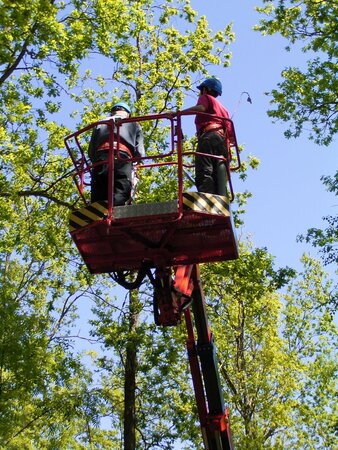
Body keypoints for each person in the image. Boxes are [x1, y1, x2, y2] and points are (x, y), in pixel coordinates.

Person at [179, 78, 235, 195]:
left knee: (204, 169)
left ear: (206, 89)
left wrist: (180, 113)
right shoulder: (224, 110)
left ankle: (207, 198)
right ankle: (220, 198)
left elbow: (201, 108)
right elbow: (231, 138)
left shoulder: (206, 97)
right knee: (218, 173)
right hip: (222, 142)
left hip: (209, 137)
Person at [88, 102, 145, 206]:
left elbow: (91, 150)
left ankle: (97, 210)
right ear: (127, 114)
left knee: (99, 188)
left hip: (101, 158)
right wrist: (137, 162)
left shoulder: (100, 123)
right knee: (122, 187)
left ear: (112, 112)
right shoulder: (134, 124)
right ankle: (116, 209)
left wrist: (95, 160)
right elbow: (139, 152)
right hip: (123, 158)